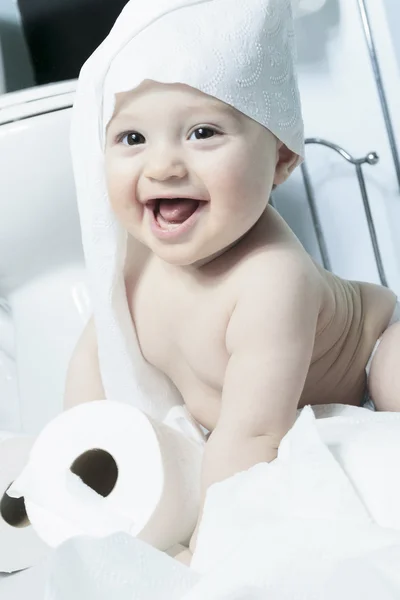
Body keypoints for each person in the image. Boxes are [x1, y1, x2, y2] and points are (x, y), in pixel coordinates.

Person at [65, 0, 400, 565]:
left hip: (367, 354)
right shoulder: (131, 265)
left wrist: (204, 548)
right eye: (131, 139)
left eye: (201, 132)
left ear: (282, 159)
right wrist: (72, 458)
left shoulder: (272, 279)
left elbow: (251, 436)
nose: (163, 166)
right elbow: (96, 368)